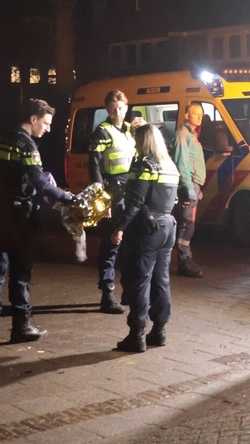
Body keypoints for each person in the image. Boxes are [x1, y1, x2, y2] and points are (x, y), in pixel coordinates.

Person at [0, 99, 74, 343]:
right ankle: (21, 326)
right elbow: (39, 183)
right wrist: (68, 197)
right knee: (20, 272)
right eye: (46, 123)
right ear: (33, 119)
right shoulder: (27, 146)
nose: (48, 129)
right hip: (19, 216)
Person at [111, 123, 179, 352]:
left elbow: (135, 201)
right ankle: (159, 330)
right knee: (161, 280)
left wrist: (120, 227)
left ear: (143, 141)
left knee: (141, 280)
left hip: (148, 229)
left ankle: (136, 334)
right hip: (168, 225)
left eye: (137, 140)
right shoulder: (170, 166)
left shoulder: (144, 165)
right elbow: (176, 198)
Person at [88, 90, 136, 314]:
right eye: (113, 108)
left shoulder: (130, 130)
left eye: (121, 107)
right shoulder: (102, 132)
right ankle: (107, 295)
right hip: (112, 192)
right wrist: (102, 199)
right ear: (107, 109)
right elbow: (94, 166)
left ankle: (128, 291)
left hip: (129, 190)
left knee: (128, 244)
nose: (118, 111)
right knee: (111, 244)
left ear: (127, 107)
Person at [171, 102, 206, 277]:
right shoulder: (183, 134)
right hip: (188, 184)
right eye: (195, 113)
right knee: (186, 225)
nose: (199, 117)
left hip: (193, 184)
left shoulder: (192, 134)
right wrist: (188, 187)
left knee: (189, 224)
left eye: (201, 114)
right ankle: (183, 262)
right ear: (186, 116)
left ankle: (186, 259)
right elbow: (181, 163)